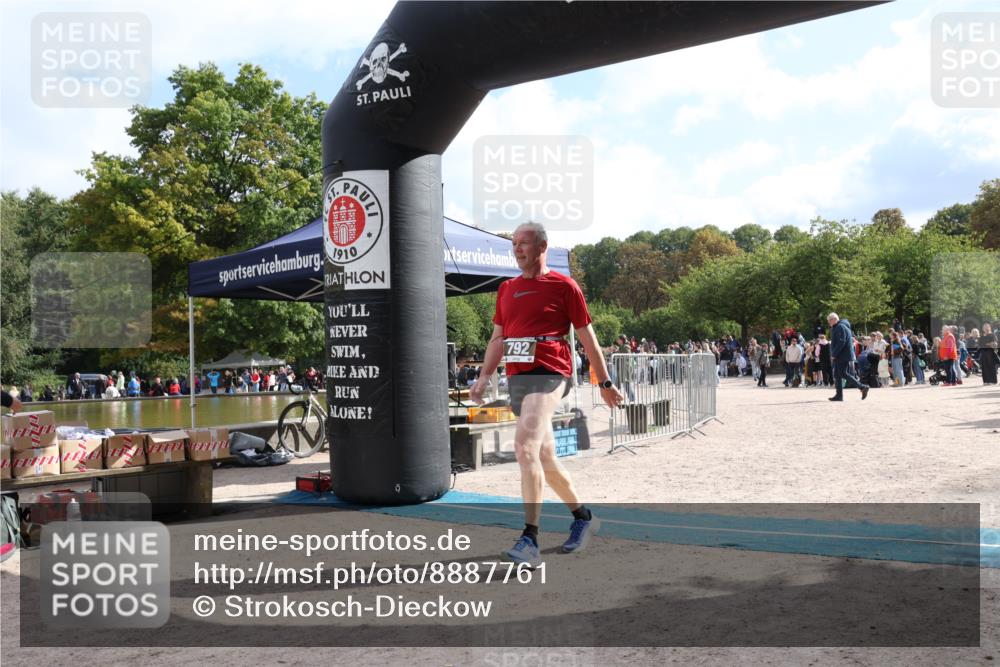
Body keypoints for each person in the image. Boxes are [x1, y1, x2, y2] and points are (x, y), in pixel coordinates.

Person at [470, 222, 624, 567]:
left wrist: (604, 381)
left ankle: (530, 540)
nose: (517, 249)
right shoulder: (507, 289)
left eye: (523, 243)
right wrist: (484, 376)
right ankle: (583, 517)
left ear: (542, 246)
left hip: (551, 373)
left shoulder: (564, 286)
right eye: (513, 244)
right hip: (518, 377)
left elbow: (588, 338)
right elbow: (498, 338)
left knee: (523, 447)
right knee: (545, 457)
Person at [827, 312, 869, 402]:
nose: (829, 323)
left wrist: (834, 354)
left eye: (829, 321)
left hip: (842, 355)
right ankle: (839, 395)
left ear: (834, 319)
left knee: (843, 373)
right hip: (842, 354)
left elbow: (841, 342)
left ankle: (862, 387)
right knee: (837, 375)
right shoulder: (839, 326)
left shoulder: (840, 327)